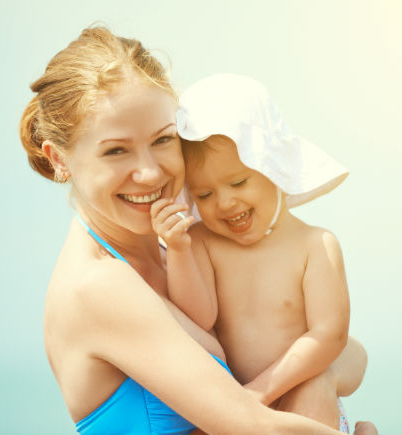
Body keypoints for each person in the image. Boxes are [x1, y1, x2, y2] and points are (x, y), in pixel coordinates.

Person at [19, 26, 367, 435]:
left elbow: (342, 347)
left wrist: (320, 379)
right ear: (58, 159)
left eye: (163, 140)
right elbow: (252, 424)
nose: (149, 172)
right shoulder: (97, 286)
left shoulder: (182, 253)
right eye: (116, 150)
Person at [150, 74, 378, 434]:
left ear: (274, 168)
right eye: (204, 195)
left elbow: (328, 335)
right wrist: (179, 251)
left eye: (239, 182)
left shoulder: (315, 245)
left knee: (310, 403)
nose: (225, 202)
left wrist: (261, 391)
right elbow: (199, 316)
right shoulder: (203, 241)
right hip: (240, 404)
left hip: (295, 396)